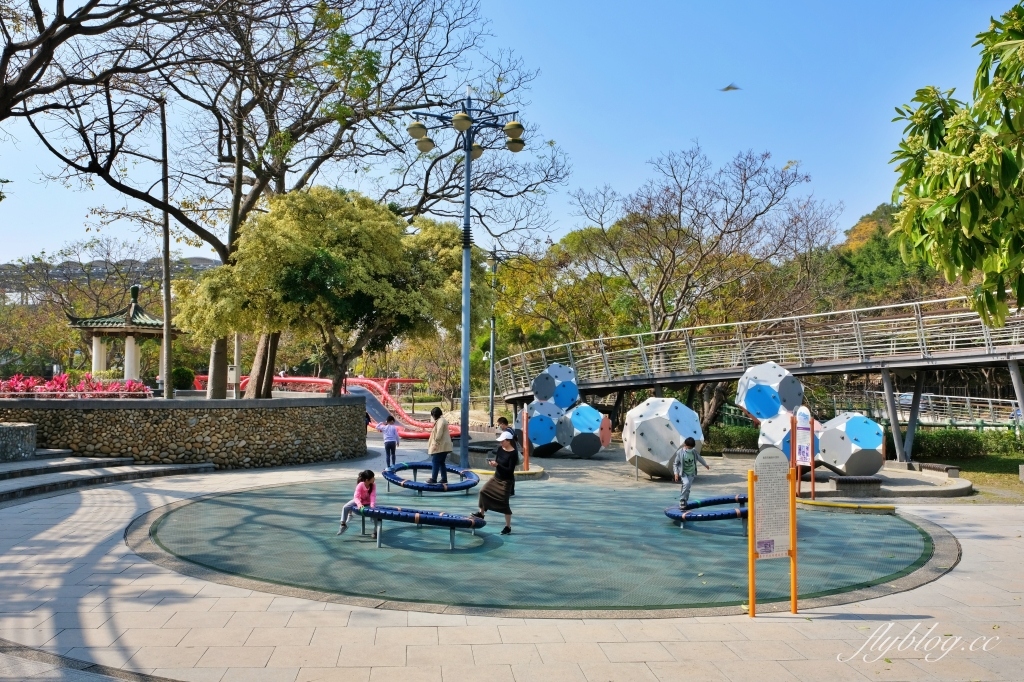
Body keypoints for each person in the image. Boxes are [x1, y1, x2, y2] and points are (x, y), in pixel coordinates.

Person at [472, 431, 517, 535]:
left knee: (504, 503)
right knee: (483, 491)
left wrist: (497, 465)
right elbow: (498, 462)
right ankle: (481, 513)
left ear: (508, 441)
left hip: (506, 481)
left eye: (502, 441)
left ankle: (508, 527)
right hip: (496, 477)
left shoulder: (513, 453)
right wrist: (493, 464)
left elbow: (510, 470)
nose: (501, 443)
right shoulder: (500, 449)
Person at [672, 437, 710, 507]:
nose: (689, 449)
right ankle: (682, 500)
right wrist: (676, 473)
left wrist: (705, 464)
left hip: (691, 472)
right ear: (685, 445)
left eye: (691, 448)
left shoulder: (693, 451)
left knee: (688, 487)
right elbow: (675, 463)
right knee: (686, 484)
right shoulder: (680, 452)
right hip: (684, 473)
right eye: (688, 448)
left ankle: (685, 500)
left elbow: (699, 458)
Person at [338, 469, 376, 536]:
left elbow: (373, 496)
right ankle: (343, 524)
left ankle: (375, 531)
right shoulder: (360, 485)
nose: (374, 478)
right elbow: (356, 497)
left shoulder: (373, 485)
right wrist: (359, 504)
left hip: (368, 502)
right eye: (373, 477)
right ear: (367, 480)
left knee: (376, 513)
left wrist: (372, 506)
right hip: (359, 501)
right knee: (345, 507)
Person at [426, 407, 452, 485]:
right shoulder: (441, 420)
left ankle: (434, 479)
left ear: (434, 415)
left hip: (440, 446)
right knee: (441, 462)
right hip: (444, 446)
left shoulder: (440, 421)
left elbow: (439, 434)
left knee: (435, 461)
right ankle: (444, 478)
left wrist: (435, 444)